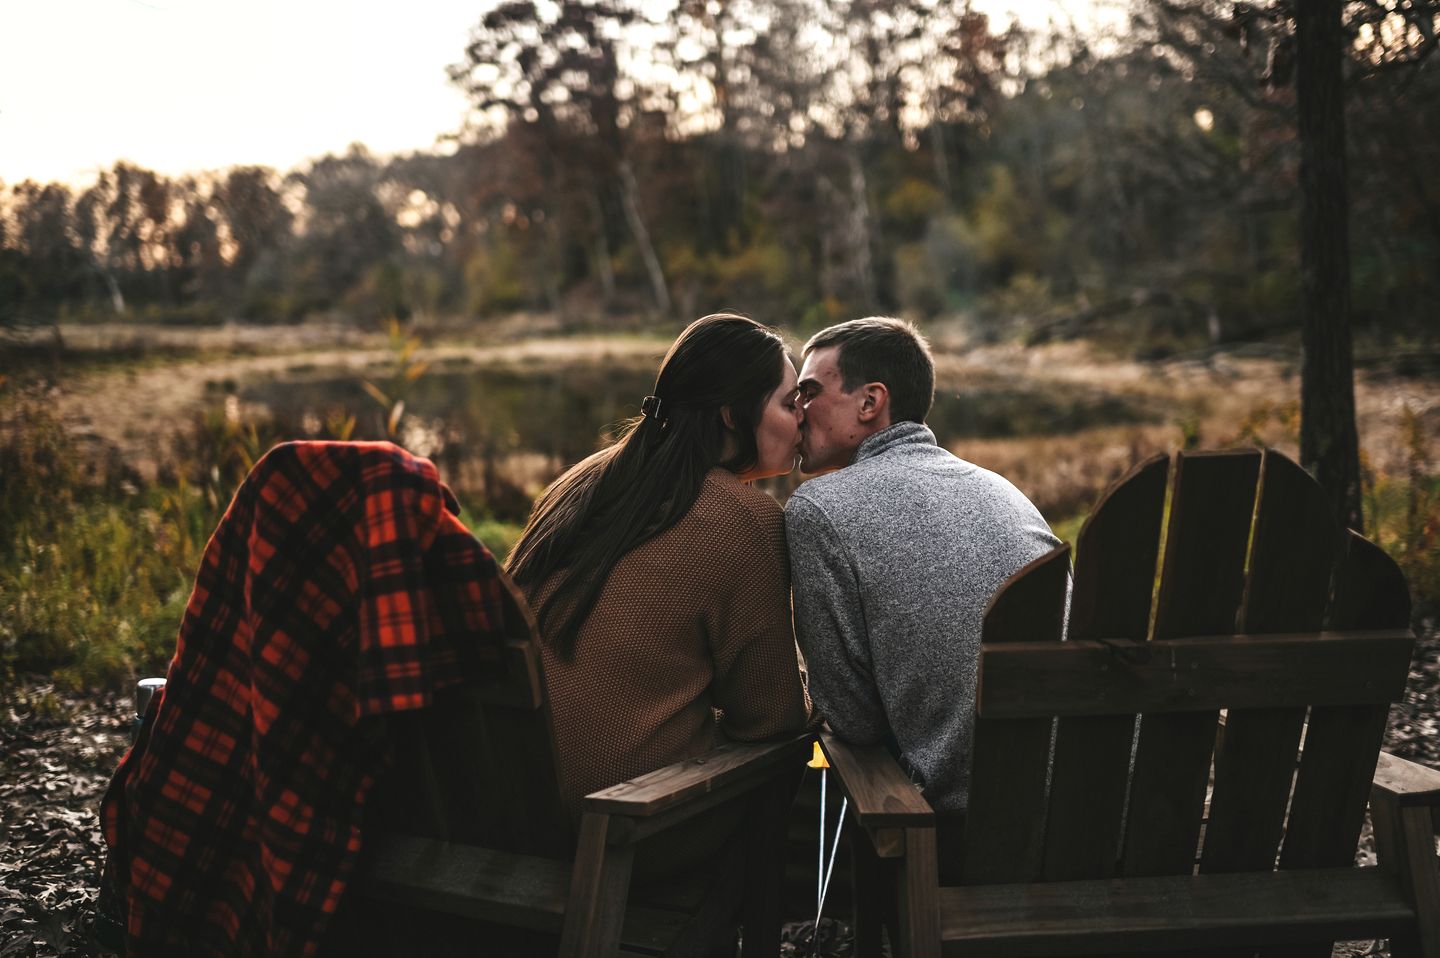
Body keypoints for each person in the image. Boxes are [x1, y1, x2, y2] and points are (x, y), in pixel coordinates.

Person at [505, 312, 811, 830]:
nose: (802, 416)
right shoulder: (744, 522)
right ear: (731, 415)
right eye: (788, 403)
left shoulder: (583, 481)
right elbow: (771, 720)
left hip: (513, 805)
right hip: (629, 827)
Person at [785, 316, 1061, 823]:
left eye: (808, 392)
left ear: (870, 402)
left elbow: (852, 720)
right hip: (1104, 804)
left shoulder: (819, 509)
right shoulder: (1000, 488)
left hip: (986, 828)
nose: (796, 412)